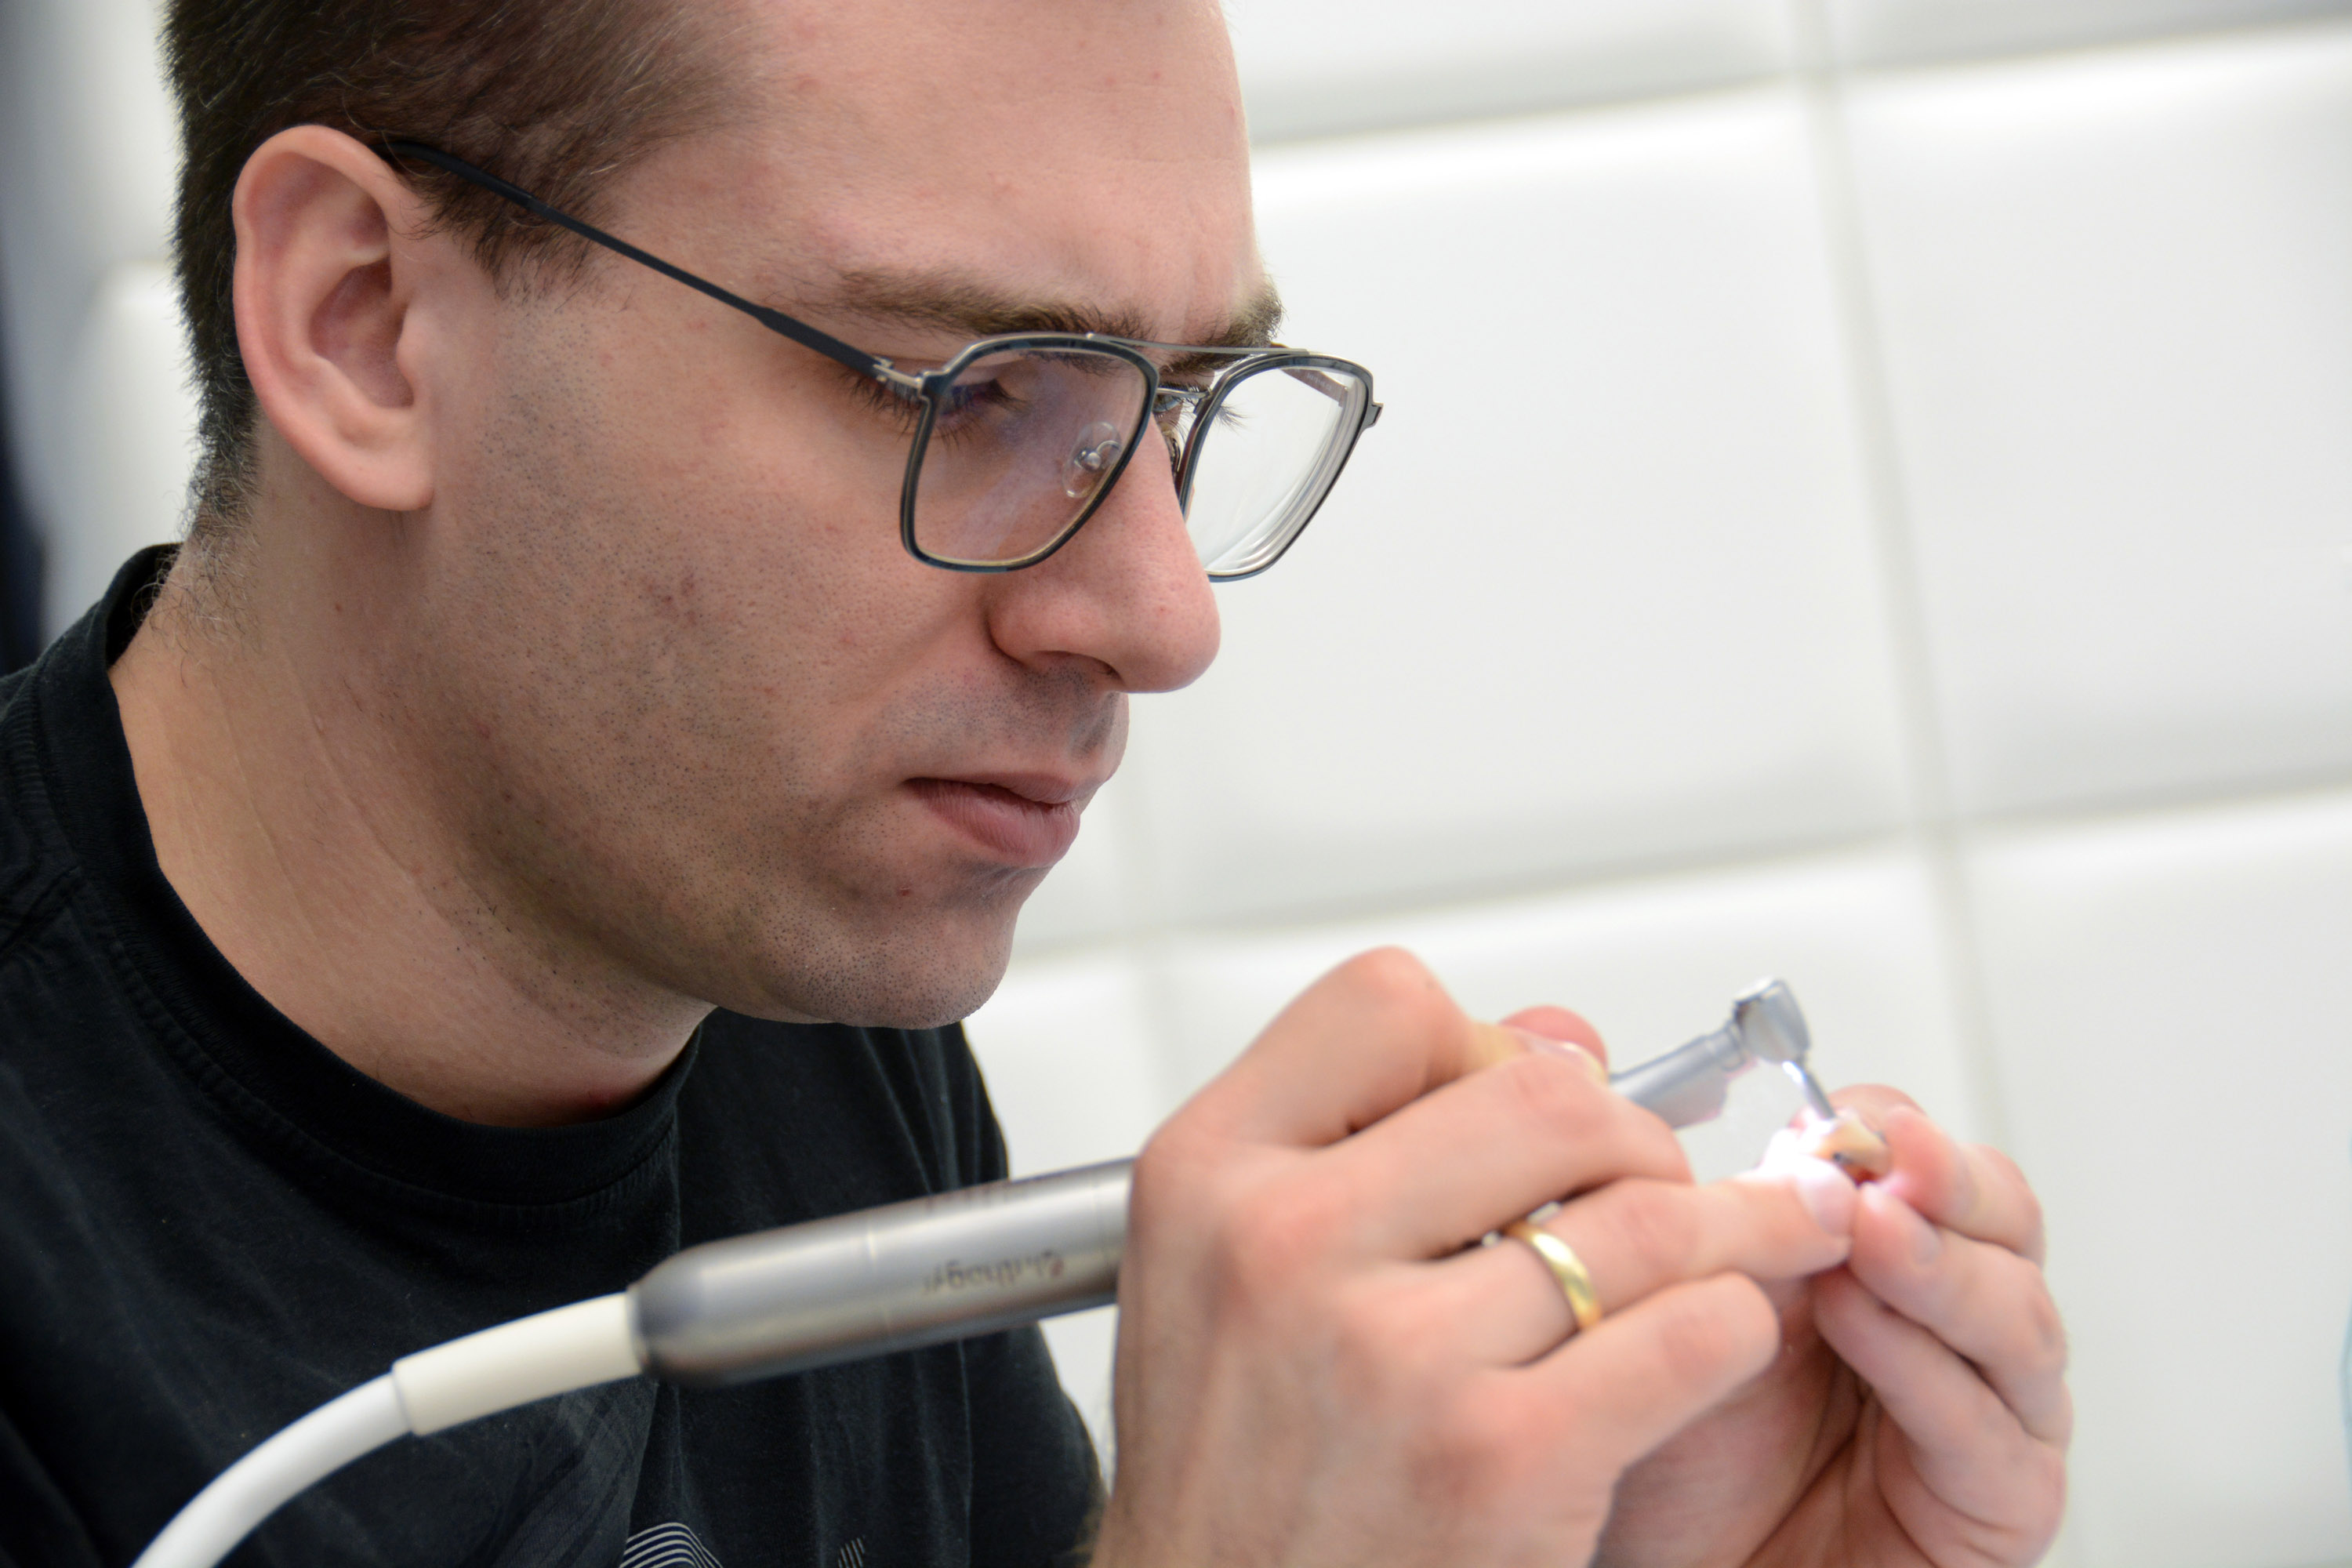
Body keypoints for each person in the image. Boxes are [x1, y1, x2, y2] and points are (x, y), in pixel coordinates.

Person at [0, 0, 2070, 1563]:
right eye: (978, 392)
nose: (1159, 617)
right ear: (365, 324)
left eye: (1183, 404)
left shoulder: (789, 995)